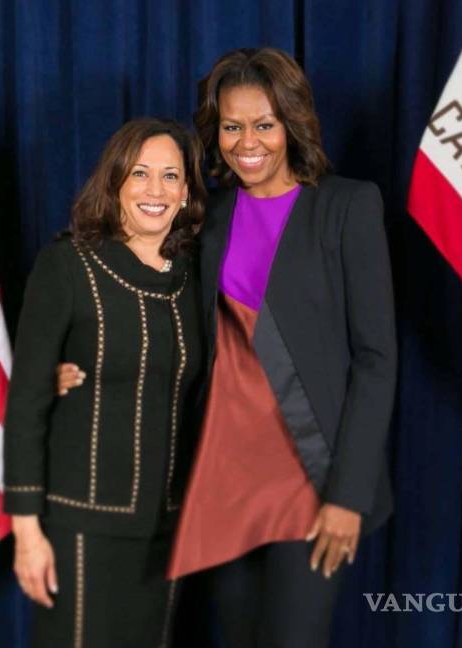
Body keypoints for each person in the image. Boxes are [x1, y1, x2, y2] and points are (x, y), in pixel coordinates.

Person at [58, 47, 397, 647]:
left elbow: (377, 361)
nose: (247, 143)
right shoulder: (205, 216)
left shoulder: (347, 206)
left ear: (292, 123)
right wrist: (75, 360)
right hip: (225, 476)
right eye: (232, 126)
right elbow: (146, 306)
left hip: (313, 481)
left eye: (264, 124)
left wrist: (350, 495)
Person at [3, 118, 206, 648]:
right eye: (140, 173)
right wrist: (27, 533)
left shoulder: (194, 276)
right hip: (79, 525)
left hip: (169, 527)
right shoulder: (67, 266)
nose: (155, 189)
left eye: (170, 176)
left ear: (187, 192)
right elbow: (25, 404)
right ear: (114, 181)